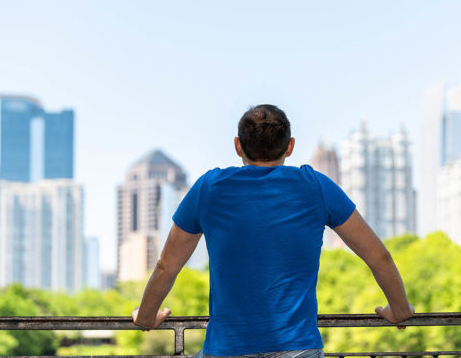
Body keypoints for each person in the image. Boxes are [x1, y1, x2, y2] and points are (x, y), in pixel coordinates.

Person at [132, 104, 414, 357]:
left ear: (237, 146)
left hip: (227, 349)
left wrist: (146, 316)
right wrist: (399, 310)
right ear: (289, 146)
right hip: (298, 348)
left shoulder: (209, 188)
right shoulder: (316, 186)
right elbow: (379, 256)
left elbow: (166, 266)